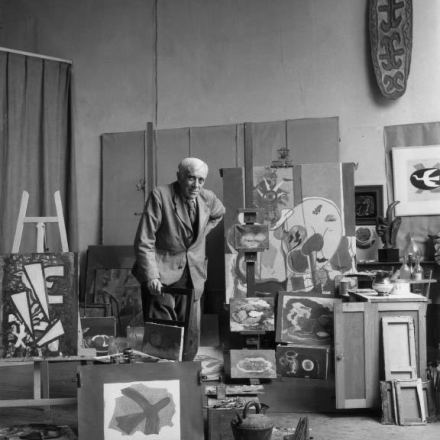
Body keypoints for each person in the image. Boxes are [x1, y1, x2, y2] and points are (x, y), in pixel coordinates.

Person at [133, 157, 225, 360]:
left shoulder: (208, 198)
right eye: (191, 178)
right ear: (179, 176)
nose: (196, 185)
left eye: (201, 180)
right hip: (161, 271)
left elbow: (219, 213)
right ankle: (164, 370)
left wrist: (201, 234)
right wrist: (151, 276)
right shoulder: (160, 195)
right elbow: (144, 240)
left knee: (190, 333)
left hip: (192, 271)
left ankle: (186, 369)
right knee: (163, 333)